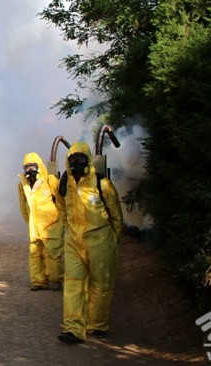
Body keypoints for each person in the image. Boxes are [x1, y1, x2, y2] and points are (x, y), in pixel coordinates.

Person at [56, 141, 124, 344]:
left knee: (101, 285)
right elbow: (61, 208)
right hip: (74, 242)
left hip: (100, 241)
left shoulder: (102, 185)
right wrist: (69, 229)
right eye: (73, 160)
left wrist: (113, 240)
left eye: (81, 159)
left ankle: (97, 325)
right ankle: (73, 328)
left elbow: (116, 215)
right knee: (73, 284)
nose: (77, 164)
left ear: (89, 161)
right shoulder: (64, 184)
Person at [17, 152, 64, 291]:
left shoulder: (50, 181)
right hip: (35, 227)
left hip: (51, 226)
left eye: (33, 166)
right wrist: (30, 221)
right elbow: (23, 206)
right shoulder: (23, 185)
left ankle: (55, 280)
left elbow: (61, 202)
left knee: (52, 255)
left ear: (40, 166)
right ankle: (38, 281)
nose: (30, 170)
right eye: (27, 167)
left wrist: (62, 221)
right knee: (35, 254)